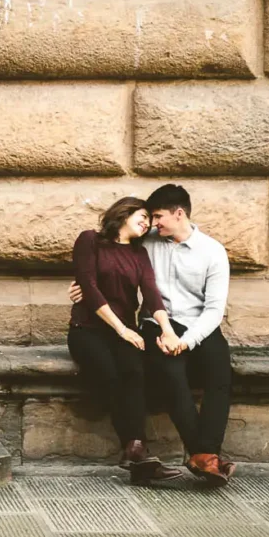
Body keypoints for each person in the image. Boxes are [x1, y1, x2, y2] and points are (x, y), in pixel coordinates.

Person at [66, 196, 186, 487]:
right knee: (111, 374)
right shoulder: (90, 240)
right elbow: (89, 287)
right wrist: (121, 329)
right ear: (123, 213)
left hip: (125, 330)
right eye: (142, 216)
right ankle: (138, 453)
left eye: (149, 220)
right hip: (88, 329)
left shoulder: (139, 254)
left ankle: (135, 451)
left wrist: (167, 329)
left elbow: (152, 294)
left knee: (134, 372)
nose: (147, 223)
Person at [140, 183, 235, 487]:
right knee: (171, 374)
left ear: (179, 213)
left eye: (158, 216)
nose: (153, 223)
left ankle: (203, 455)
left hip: (199, 325)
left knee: (220, 375)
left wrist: (186, 341)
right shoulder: (146, 244)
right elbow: (108, 253)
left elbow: (214, 309)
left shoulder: (213, 251)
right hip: (158, 323)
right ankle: (205, 457)